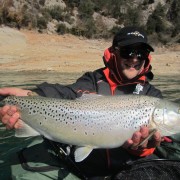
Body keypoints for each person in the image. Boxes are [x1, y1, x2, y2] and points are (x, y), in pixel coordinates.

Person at [0, 26, 164, 179]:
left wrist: (142, 148)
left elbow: (157, 142)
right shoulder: (92, 80)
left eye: (141, 53)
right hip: (85, 168)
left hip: (129, 170)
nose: (134, 59)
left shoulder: (152, 95)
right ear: (115, 52)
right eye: (128, 52)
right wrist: (31, 95)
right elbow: (67, 93)